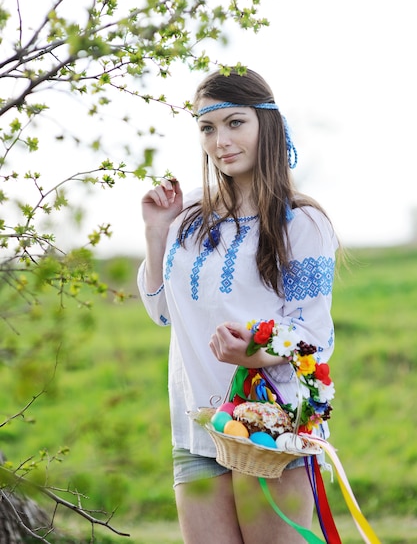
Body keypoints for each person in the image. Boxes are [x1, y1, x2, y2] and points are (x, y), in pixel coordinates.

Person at [138, 68, 338, 543]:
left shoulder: (302, 222)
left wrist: (254, 351)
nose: (220, 141)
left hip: (270, 426)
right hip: (196, 425)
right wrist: (155, 232)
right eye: (208, 128)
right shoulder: (186, 216)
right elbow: (161, 312)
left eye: (235, 123)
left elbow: (314, 332)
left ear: (266, 123)